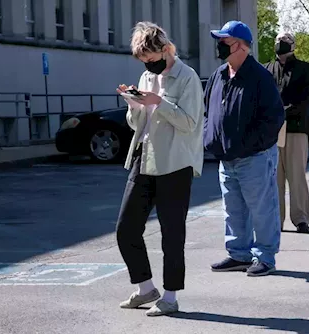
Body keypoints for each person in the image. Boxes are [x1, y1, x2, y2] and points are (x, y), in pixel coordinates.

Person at [115, 21, 204, 316]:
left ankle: (170, 297)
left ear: (166, 50)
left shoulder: (187, 76)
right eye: (144, 62)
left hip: (175, 164)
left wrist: (158, 102)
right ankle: (145, 288)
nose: (149, 66)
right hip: (145, 158)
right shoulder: (145, 76)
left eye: (152, 60)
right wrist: (134, 104)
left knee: (172, 234)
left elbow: (190, 123)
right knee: (126, 228)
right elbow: (136, 124)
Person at [204, 21, 285, 277]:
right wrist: (210, 137)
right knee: (233, 209)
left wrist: (250, 144)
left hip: (254, 157)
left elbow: (273, 119)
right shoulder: (218, 75)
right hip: (226, 158)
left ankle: (265, 257)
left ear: (240, 45)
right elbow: (208, 111)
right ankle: (238, 254)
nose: (219, 46)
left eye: (224, 41)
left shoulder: (260, 76)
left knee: (262, 209)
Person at [264, 32, 309, 234]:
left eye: (283, 42)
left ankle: (301, 219)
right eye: (277, 42)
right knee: (274, 179)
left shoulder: (304, 69)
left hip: (295, 128)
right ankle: (276, 220)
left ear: (292, 45)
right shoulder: (266, 69)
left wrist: (282, 111)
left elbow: (305, 99)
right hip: (272, 131)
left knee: (297, 176)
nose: (279, 45)